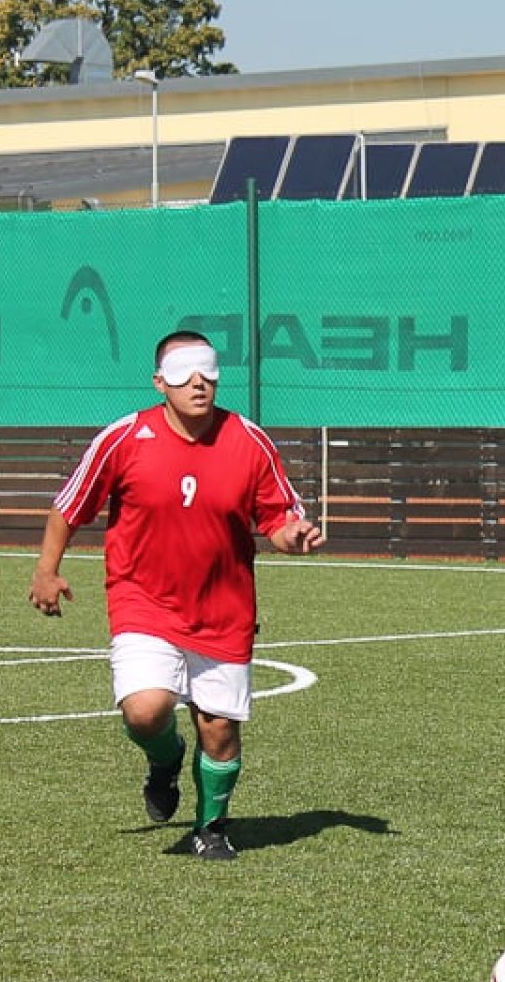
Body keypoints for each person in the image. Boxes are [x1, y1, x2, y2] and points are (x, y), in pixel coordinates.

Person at [28, 330, 323, 861]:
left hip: (224, 609)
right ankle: (164, 760)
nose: (199, 381)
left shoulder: (248, 440)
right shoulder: (124, 438)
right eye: (185, 370)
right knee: (145, 710)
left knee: (220, 730)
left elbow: (278, 518)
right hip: (143, 601)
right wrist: (46, 571)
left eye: (208, 369)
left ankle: (211, 828)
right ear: (159, 380)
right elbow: (68, 507)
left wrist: (293, 537)